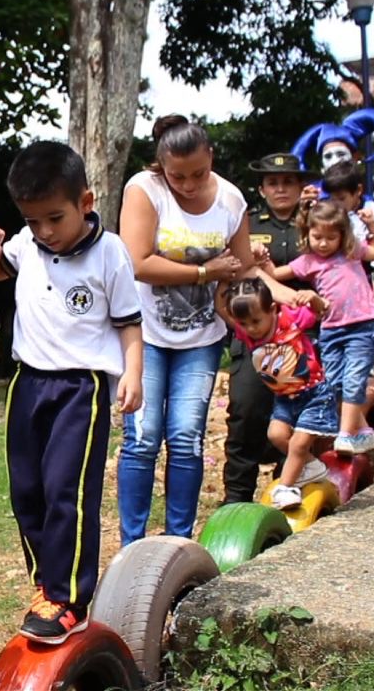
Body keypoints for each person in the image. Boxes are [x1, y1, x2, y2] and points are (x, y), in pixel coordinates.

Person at [0, 141, 143, 644]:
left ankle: (68, 597)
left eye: (55, 218)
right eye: (33, 222)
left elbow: (129, 322)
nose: (45, 232)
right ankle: (44, 586)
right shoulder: (26, 245)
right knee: (26, 491)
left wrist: (133, 374)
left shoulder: (110, 253)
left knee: (65, 492)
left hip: (82, 387)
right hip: (27, 382)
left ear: (86, 202)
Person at [116, 115, 255, 543]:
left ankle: (178, 541)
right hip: (147, 336)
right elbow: (136, 262)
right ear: (161, 165)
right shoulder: (145, 190)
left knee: (185, 437)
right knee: (142, 439)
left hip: (202, 338)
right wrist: (203, 271)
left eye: (198, 173)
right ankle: (132, 545)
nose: (189, 184)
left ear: (211, 157)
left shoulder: (231, 201)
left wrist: (233, 292)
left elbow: (243, 266)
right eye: (178, 176)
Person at [222, 153, 319, 505]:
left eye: (288, 182)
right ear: (262, 189)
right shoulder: (246, 224)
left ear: (299, 186)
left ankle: (292, 488)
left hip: (304, 338)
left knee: (300, 415)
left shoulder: (316, 219)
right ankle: (237, 499)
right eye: (273, 183)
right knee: (246, 412)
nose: (280, 188)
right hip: (253, 337)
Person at [262, 201, 374, 455]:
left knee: (353, 380)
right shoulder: (308, 261)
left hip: (362, 326)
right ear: (307, 233)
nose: (323, 243)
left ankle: (345, 434)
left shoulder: (352, 252)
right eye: (317, 237)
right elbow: (275, 274)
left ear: (342, 236)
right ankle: (363, 433)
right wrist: (261, 258)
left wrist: (372, 225)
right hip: (331, 329)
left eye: (331, 237)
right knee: (333, 384)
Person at [216, 278, 335, 509]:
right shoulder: (247, 334)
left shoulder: (291, 319)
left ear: (272, 309)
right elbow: (222, 308)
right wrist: (222, 279)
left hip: (313, 395)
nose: (251, 328)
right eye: (244, 323)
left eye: (255, 321)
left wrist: (314, 298)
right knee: (277, 436)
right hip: (285, 399)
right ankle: (311, 466)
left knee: (298, 444)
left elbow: (322, 311)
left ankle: (286, 487)